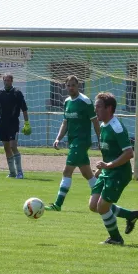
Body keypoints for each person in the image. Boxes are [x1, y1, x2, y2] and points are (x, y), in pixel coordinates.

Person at [88, 92, 138, 245]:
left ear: (109, 109)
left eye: (98, 107)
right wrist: (101, 169)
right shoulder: (103, 125)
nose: (95, 110)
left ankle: (116, 238)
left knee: (102, 207)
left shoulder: (117, 127)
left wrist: (108, 166)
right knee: (93, 206)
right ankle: (130, 215)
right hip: (107, 171)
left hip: (119, 173)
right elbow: (109, 151)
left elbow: (129, 153)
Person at [45, 76, 100, 211]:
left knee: (67, 171)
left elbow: (95, 121)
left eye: (73, 85)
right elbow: (65, 123)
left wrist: (101, 139)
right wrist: (58, 138)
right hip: (73, 142)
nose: (71, 88)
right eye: (68, 85)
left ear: (78, 86)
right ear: (65, 86)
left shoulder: (85, 101)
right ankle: (102, 199)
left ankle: (58, 204)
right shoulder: (67, 102)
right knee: (87, 174)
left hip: (81, 142)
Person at [0, 74, 31, 179]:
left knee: (13, 146)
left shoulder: (17, 93)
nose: (6, 82)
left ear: (12, 81)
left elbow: (24, 109)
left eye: (8, 80)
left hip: (13, 123)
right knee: (6, 148)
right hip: (3, 123)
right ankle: (12, 172)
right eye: (5, 80)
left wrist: (27, 123)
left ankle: (20, 172)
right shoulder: (0, 93)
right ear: (3, 81)